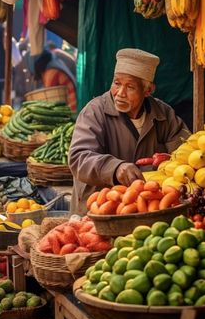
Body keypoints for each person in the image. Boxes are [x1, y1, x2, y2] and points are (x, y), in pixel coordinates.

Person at [68, 48, 190, 215]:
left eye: (130, 87)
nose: (120, 93)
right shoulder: (95, 112)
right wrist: (115, 167)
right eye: (116, 83)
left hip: (144, 211)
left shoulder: (164, 115)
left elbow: (186, 153)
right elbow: (78, 158)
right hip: (100, 211)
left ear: (148, 90)